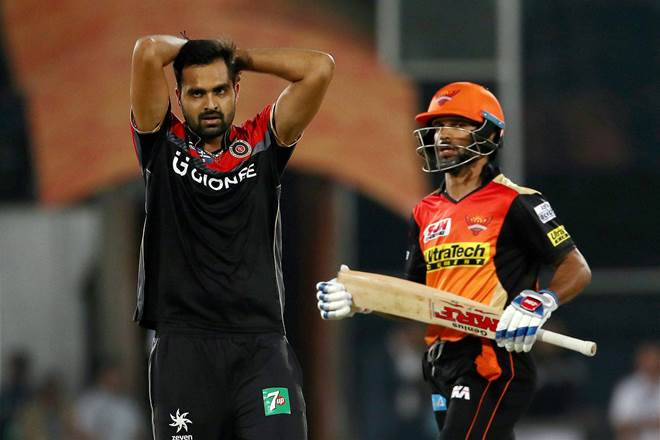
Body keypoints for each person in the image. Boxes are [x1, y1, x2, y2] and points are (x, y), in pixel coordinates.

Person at [316, 82, 592, 439]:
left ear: (490, 134)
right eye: (438, 125)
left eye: (458, 124)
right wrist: (362, 300)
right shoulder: (424, 211)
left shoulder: (518, 202)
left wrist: (542, 301)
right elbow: (415, 301)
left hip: (492, 356)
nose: (443, 134)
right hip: (439, 361)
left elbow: (576, 267)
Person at [130, 34, 334, 439]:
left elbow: (319, 68)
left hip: (260, 348)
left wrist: (240, 56)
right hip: (184, 350)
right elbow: (148, 51)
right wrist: (201, 47)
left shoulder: (261, 143)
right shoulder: (161, 142)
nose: (210, 103)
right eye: (197, 93)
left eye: (220, 90)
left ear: (236, 89)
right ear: (179, 96)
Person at [75, 360, 144, 440]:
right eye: (111, 375)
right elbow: (76, 428)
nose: (115, 380)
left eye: (118, 376)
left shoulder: (130, 406)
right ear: (103, 376)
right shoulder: (89, 400)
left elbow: (139, 433)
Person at [609, 342, 660, 440]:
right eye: (648, 358)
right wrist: (651, 423)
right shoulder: (627, 387)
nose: (652, 363)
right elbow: (620, 424)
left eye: (655, 358)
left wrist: (638, 423)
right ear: (639, 360)